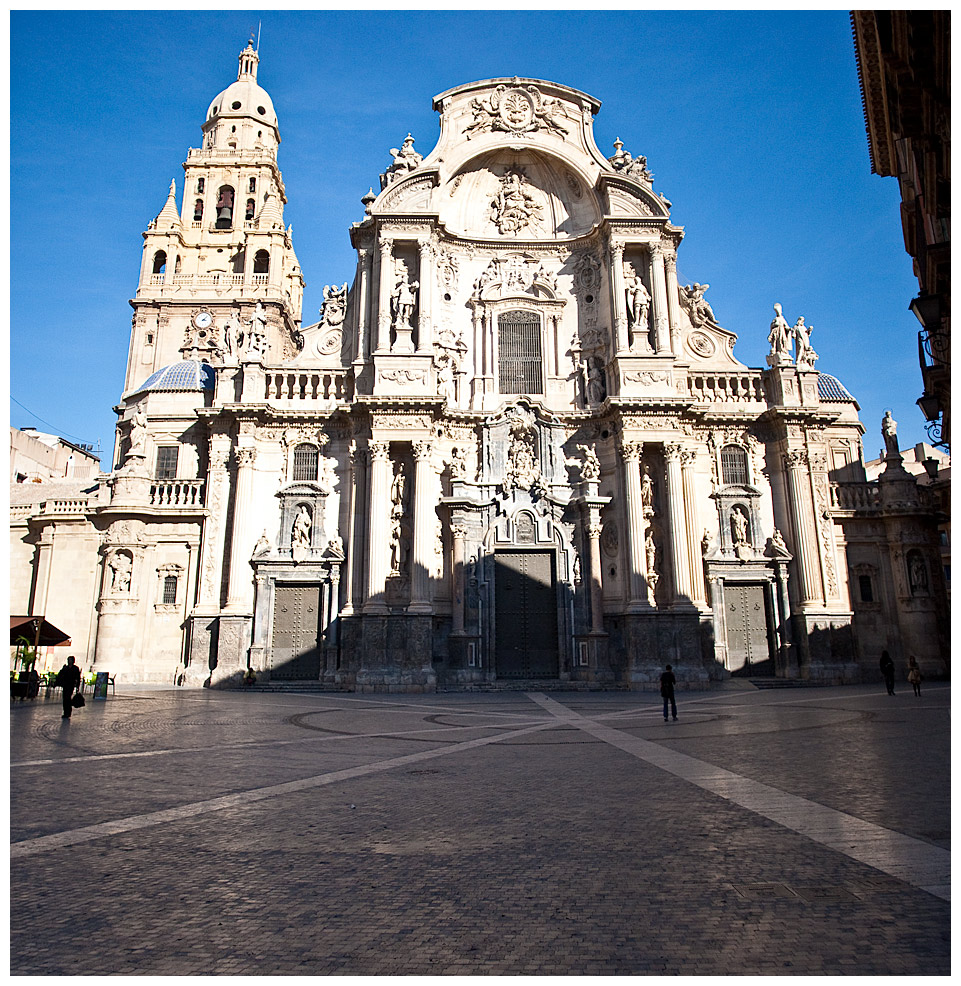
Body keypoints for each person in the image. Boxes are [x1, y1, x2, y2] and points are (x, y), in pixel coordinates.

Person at [56, 655, 82, 719]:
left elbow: (78, 677)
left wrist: (77, 686)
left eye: (70, 660)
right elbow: (60, 675)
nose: (69, 661)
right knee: (65, 699)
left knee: (68, 698)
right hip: (65, 685)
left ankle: (68, 712)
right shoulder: (65, 668)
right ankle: (65, 712)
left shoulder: (75, 668)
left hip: (71, 685)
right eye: (68, 660)